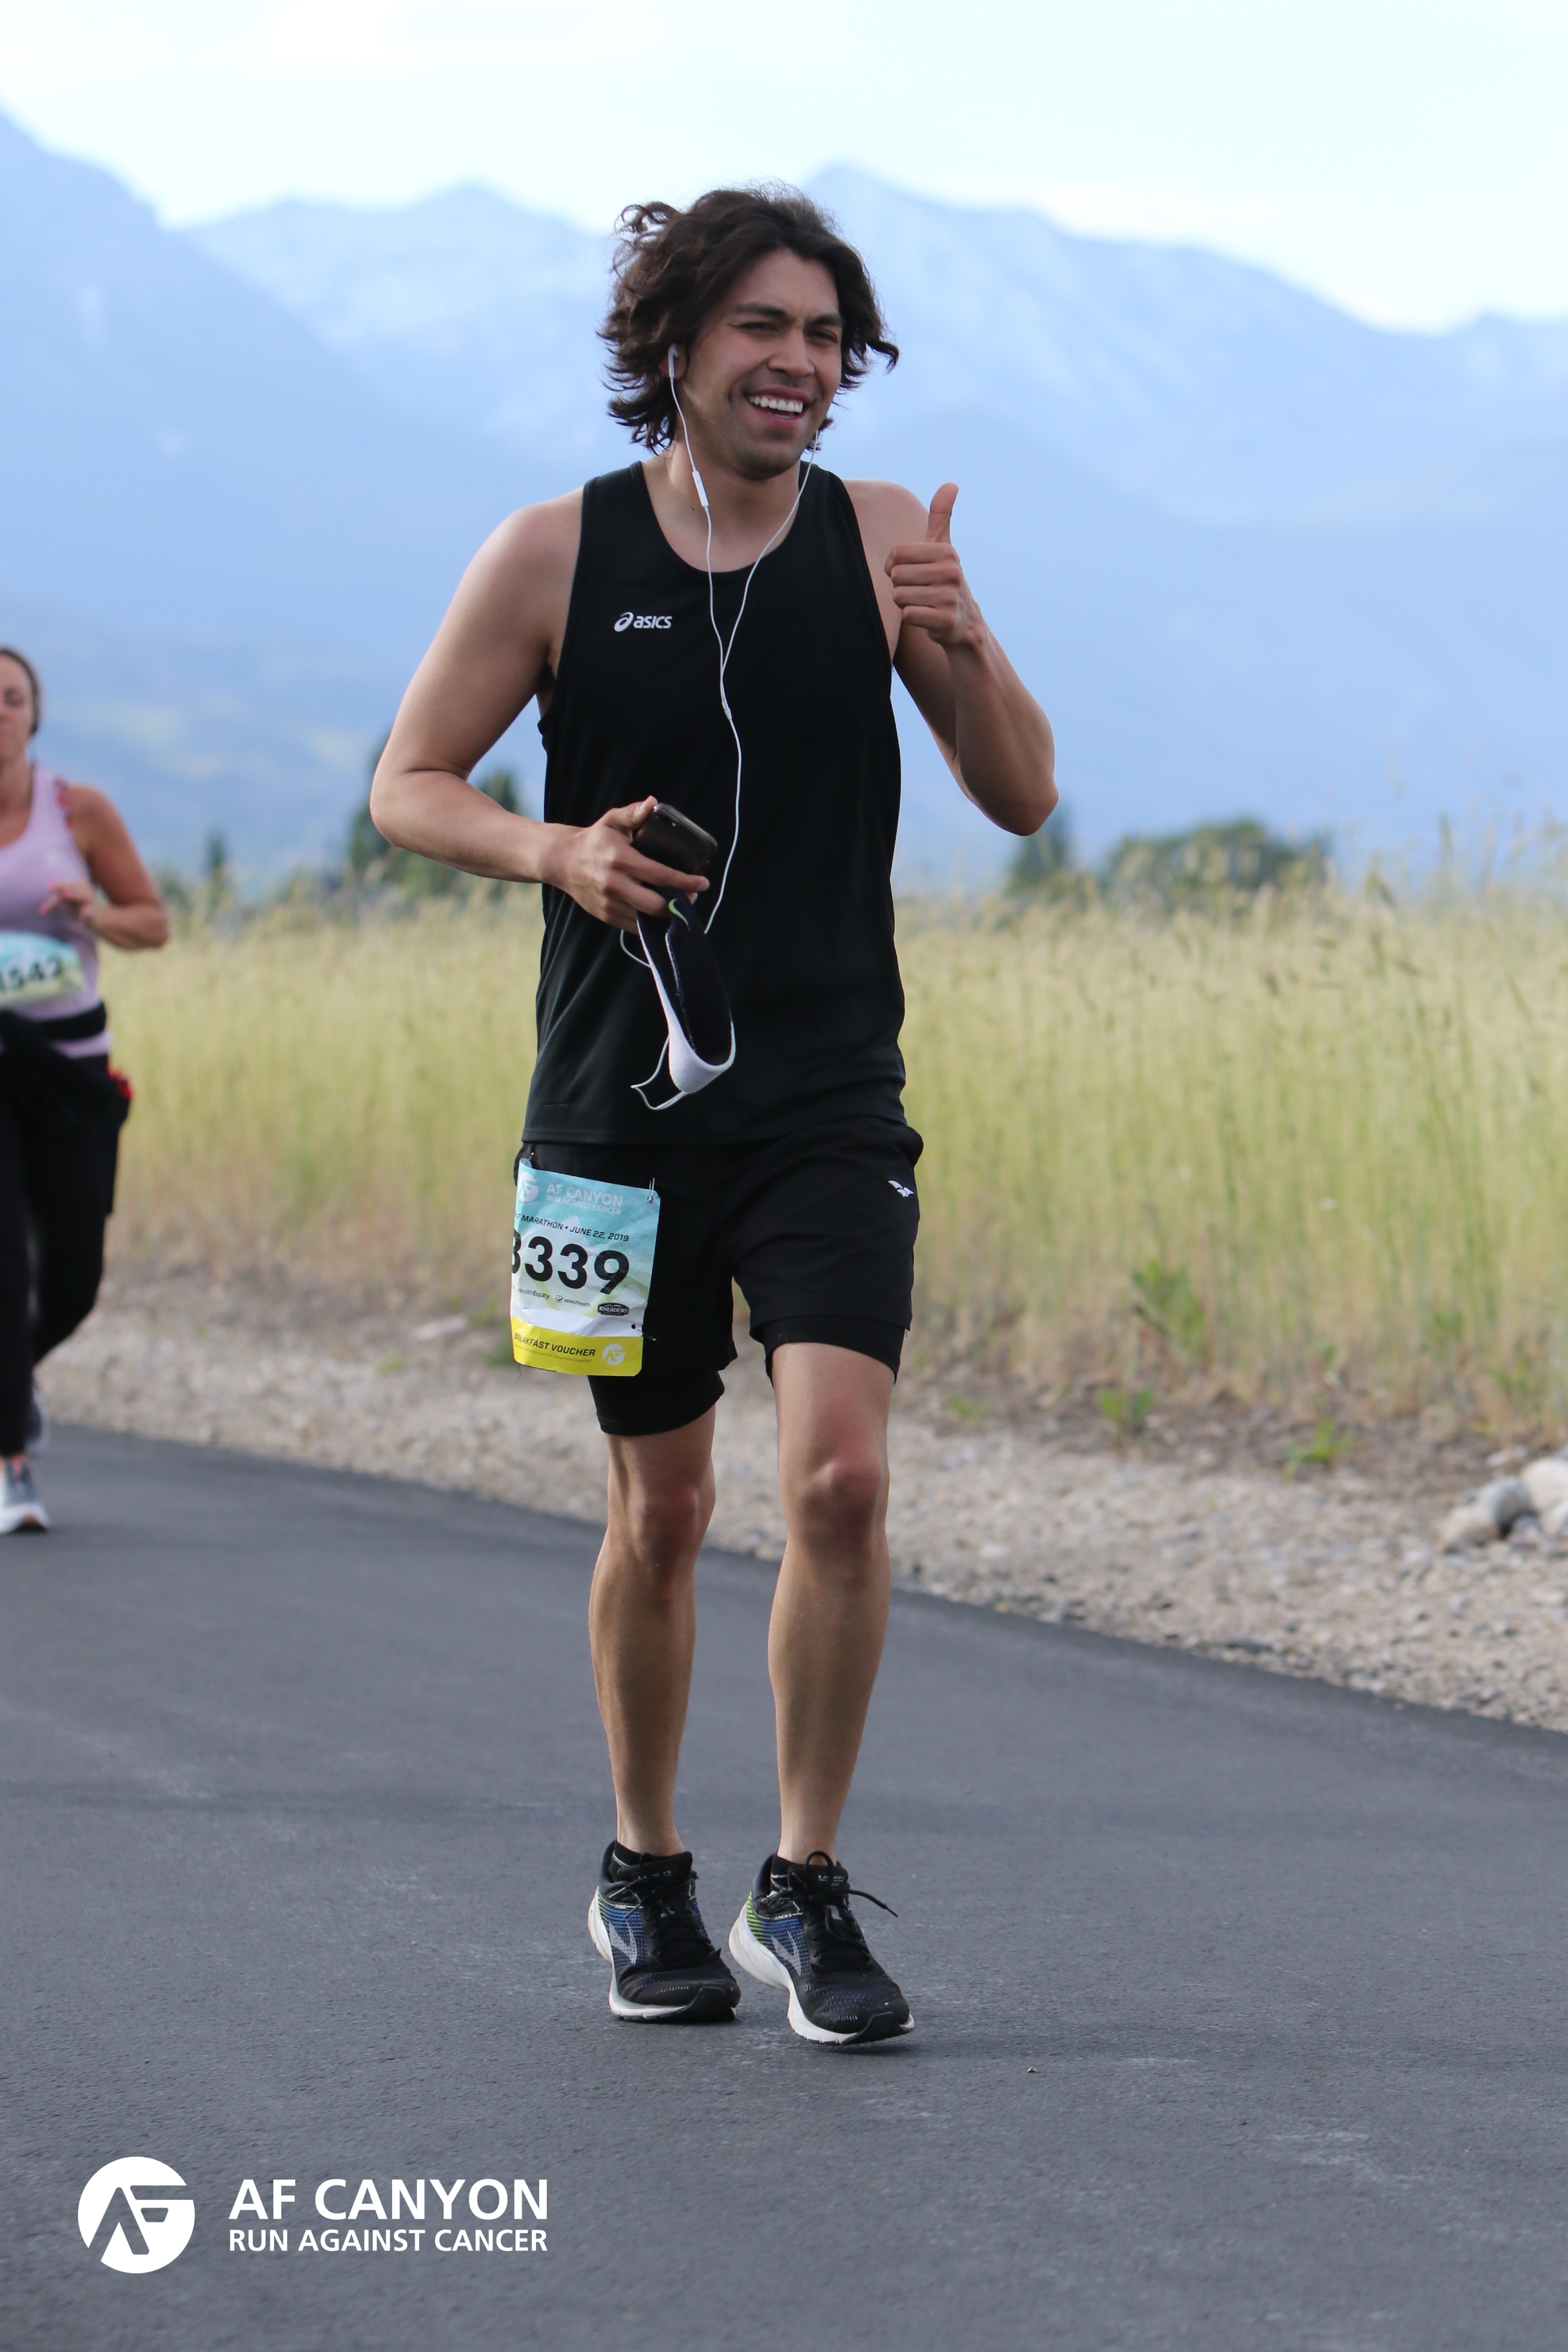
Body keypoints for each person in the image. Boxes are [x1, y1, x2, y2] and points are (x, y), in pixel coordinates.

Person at [371, 188, 1055, 2044]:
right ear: (674, 347)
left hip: (828, 1093)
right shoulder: (552, 551)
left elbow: (1019, 796)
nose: (800, 365)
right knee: (660, 1509)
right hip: (615, 1105)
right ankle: (644, 1869)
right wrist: (556, 852)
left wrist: (961, 641)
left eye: (826, 338)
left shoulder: (884, 534)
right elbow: (410, 785)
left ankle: (803, 1886)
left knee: (840, 1479)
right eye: (765, 327)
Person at [0, 649, 168, 1533]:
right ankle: (10, 1467)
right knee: (4, 1266)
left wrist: (92, 913)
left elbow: (154, 922)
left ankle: (10, 1379)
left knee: (72, 1280)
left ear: (35, 715)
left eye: (12, 698)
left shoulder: (77, 811)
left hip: (69, 1069)